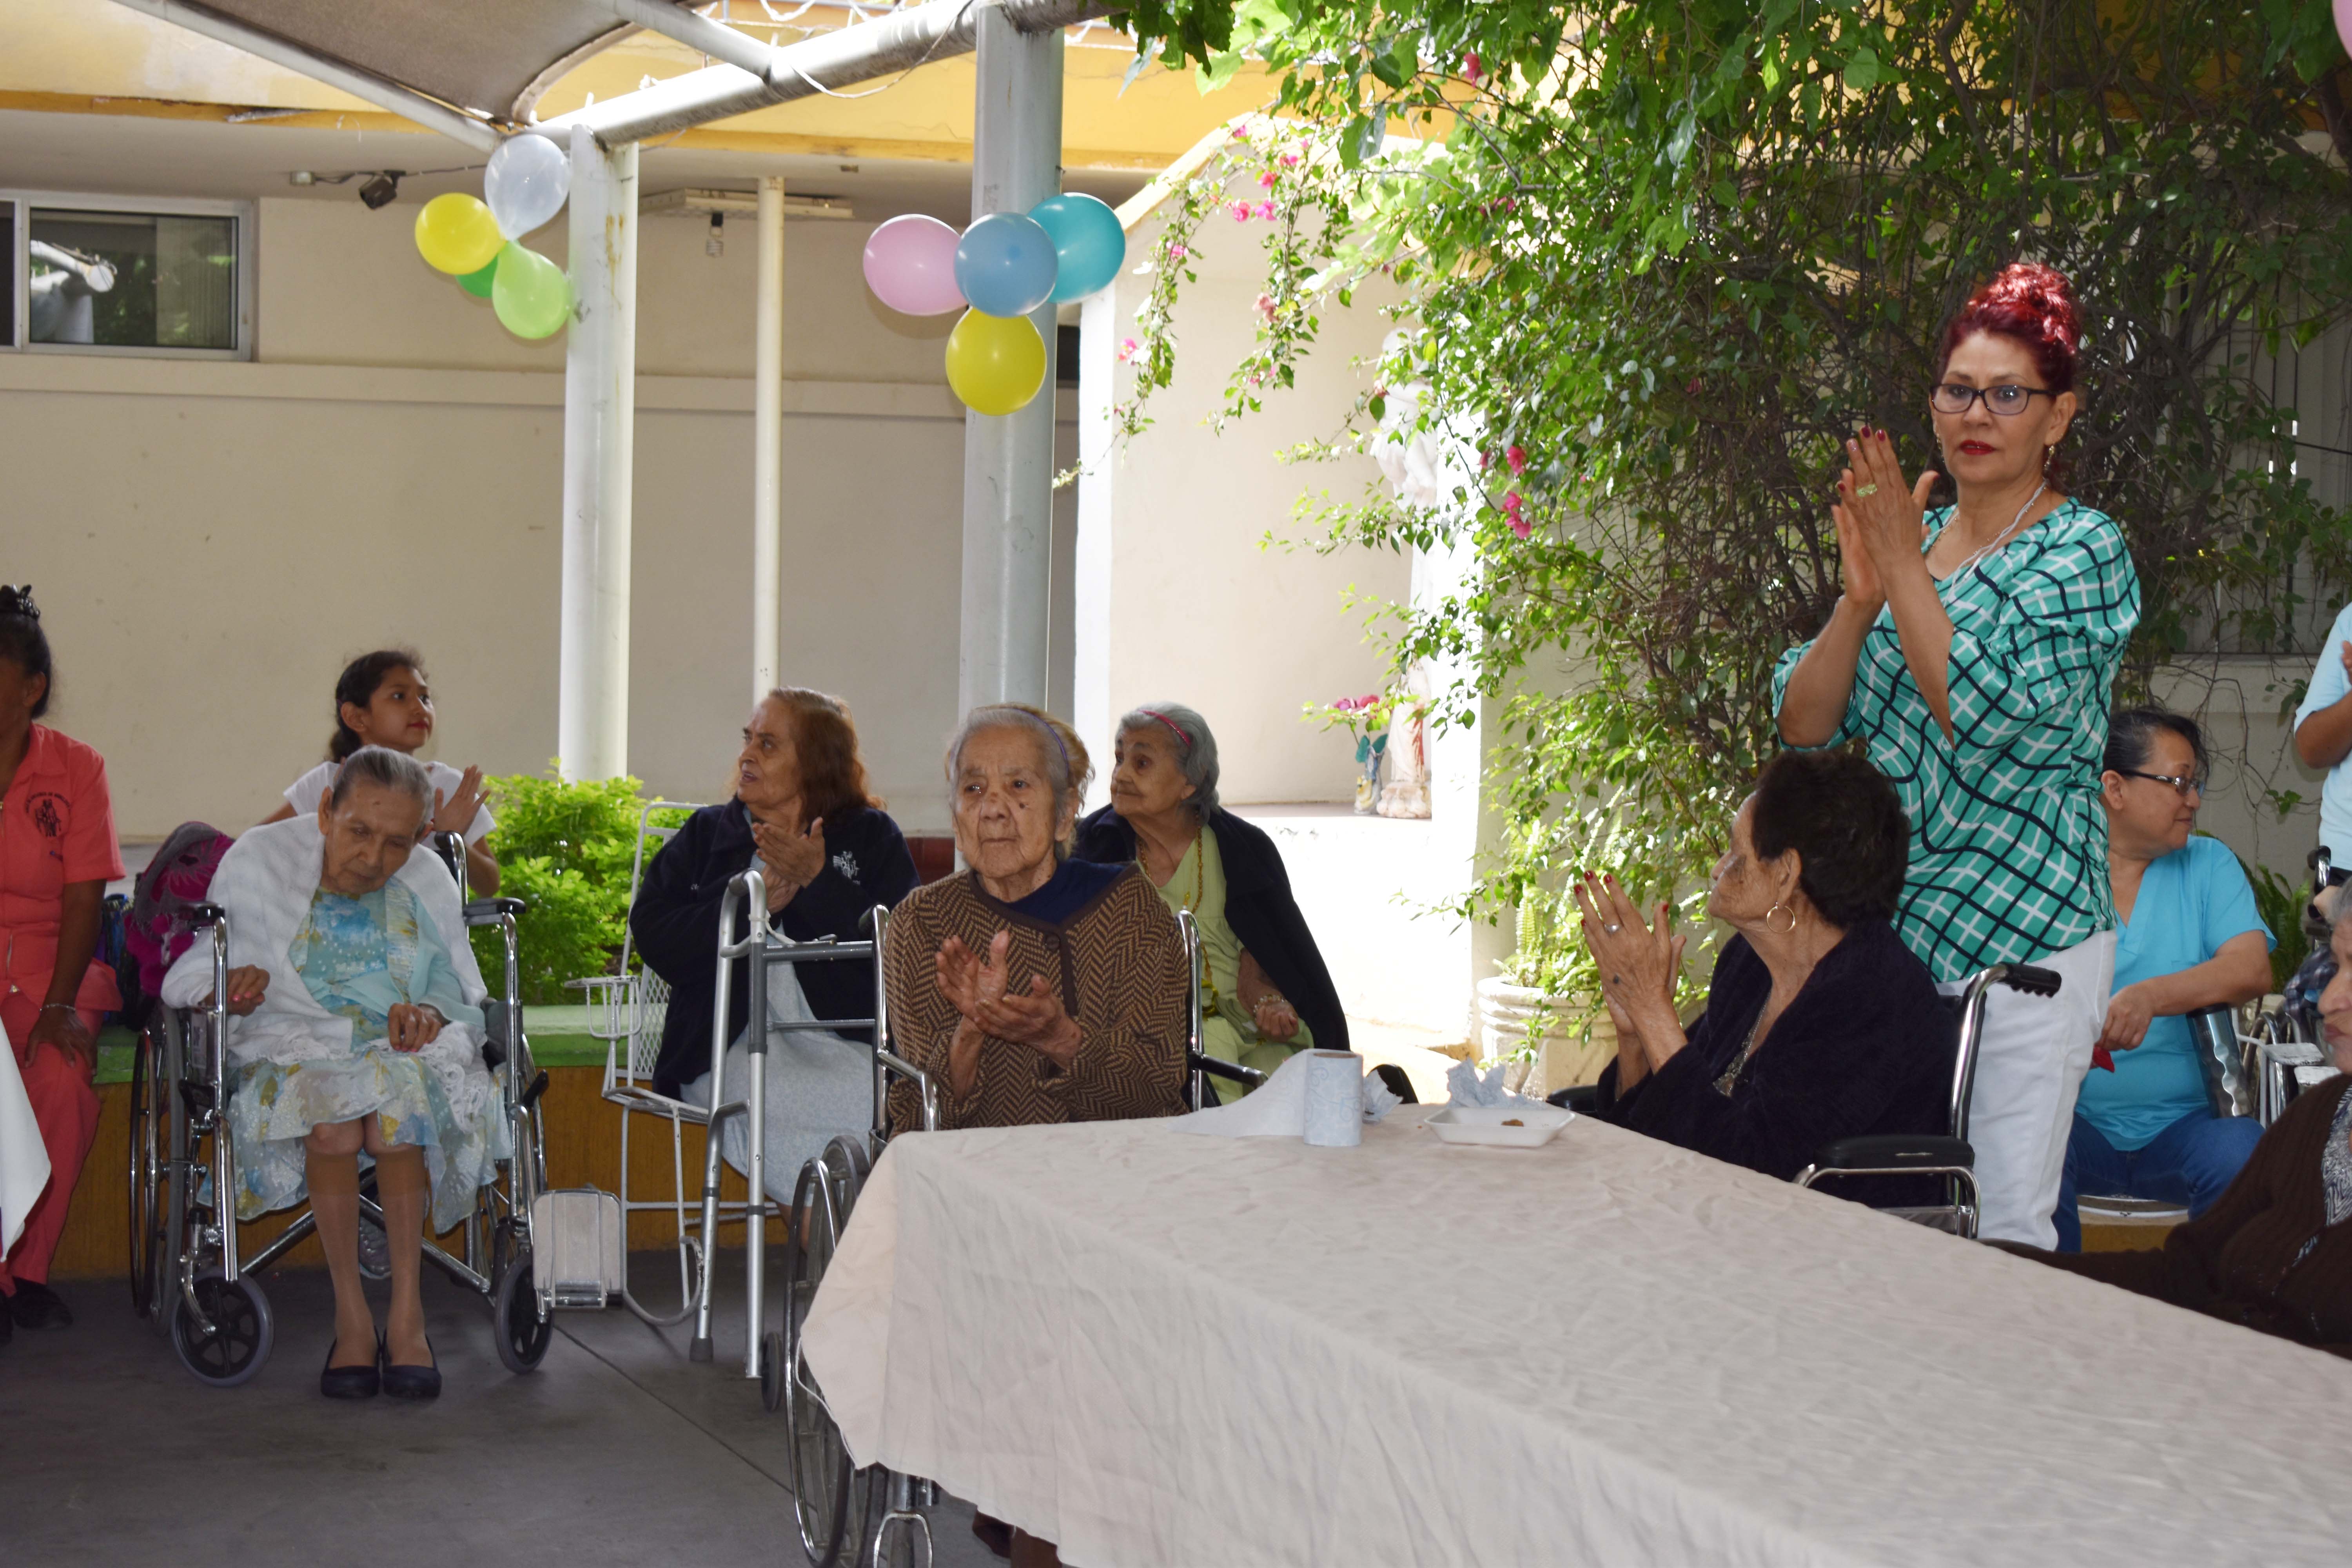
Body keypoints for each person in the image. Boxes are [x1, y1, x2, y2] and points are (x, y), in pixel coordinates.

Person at [1772, 261, 2141, 1247]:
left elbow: (1980, 709)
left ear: (2058, 418)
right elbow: (1804, 723)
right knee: (1879, 1210)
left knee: (1997, 1222)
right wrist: (1860, 601)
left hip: (2028, 940)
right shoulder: (1916, 535)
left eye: (2008, 394)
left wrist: (1899, 568)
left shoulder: (2084, 550)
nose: (1978, 413)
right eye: (1958, 389)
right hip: (1893, 939)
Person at [886, 704, 1189, 1567]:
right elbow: (913, 1119)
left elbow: (1160, 1083)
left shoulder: (1129, 914)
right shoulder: (923, 922)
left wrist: (1059, 1037)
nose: (993, 808)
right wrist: (975, 1035)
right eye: (974, 787)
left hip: (1121, 1193)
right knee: (1051, 1325)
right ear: (953, 812)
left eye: (1020, 786)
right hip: (982, 1205)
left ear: (1064, 811)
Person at [159, 747, 506, 1399]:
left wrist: (430, 1012)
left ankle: (408, 1316)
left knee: (398, 1113)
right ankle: (351, 1316)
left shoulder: (428, 877)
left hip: (396, 1050)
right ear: (326, 810)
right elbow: (195, 967)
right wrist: (223, 987)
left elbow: (460, 985)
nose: (375, 858)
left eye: (398, 843)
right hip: (293, 1044)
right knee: (332, 1126)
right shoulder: (260, 862)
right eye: (359, 832)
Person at [1578, 751, 1955, 1203]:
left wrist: (1654, 1012)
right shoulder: (1749, 966)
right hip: (1722, 1230)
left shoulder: (1868, 996)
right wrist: (1636, 1036)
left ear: (1785, 875)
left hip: (1840, 1252)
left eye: (1737, 854)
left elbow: (1755, 1174)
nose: (1719, 868)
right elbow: (1660, 1130)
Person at [1996, 897, 2352, 1359]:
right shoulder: (2324, 1114)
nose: (2327, 1000)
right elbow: (2189, 1270)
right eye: (2339, 965)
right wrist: (2018, 1269)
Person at [631, 688, 917, 1189]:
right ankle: (834, 1249)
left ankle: (828, 1252)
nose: (746, 755)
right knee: (769, 1096)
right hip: (725, 1047)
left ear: (815, 762)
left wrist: (819, 881)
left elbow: (903, 947)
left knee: (870, 1094)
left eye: (768, 745)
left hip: (844, 1042)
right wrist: (746, 910)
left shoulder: (871, 836)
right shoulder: (705, 835)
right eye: (748, 740)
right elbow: (653, 932)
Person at [2054, 708, 2272, 1251]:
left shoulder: (2209, 865)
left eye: (2194, 785)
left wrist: (2151, 995)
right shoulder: (2058, 871)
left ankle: (2220, 1323)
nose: (2193, 800)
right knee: (2025, 1146)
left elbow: (2251, 969)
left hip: (2191, 1127)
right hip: (2073, 1122)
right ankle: (2050, 1316)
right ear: (2114, 788)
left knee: (2242, 1156)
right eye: (2178, 783)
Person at [1074, 703, 1347, 1101]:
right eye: (1120, 758)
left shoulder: (1244, 849)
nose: (1122, 774)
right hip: (1154, 1036)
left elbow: (1272, 943)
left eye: (1143, 762)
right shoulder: (1092, 847)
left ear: (1190, 781)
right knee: (1214, 1062)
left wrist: (1270, 997)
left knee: (1302, 1085)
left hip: (1250, 1024)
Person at [0, 585, 122, 1340]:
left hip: (56, 968)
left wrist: (57, 1005)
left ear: (30, 687)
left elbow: (85, 899)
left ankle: (27, 1271)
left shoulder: (77, 768)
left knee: (57, 1080)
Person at [261, 649, 499, 895]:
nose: (419, 709)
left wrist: (451, 838)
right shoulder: (327, 782)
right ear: (356, 717)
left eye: (425, 698)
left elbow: (490, 885)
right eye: (399, 696)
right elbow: (259, 845)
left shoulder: (447, 787)